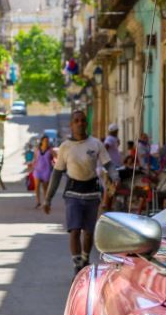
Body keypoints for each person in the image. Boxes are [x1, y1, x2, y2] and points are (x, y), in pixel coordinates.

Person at [45, 110, 114, 271]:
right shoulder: (65, 147)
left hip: (92, 193)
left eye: (83, 120)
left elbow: (108, 164)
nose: (80, 123)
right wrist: (48, 198)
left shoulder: (96, 144)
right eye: (76, 121)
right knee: (74, 230)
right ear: (71, 124)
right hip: (72, 193)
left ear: (86, 123)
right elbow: (56, 173)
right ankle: (77, 264)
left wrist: (115, 177)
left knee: (88, 231)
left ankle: (85, 258)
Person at [32, 135, 54, 208]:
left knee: (45, 188)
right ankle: (38, 201)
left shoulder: (50, 150)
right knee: (37, 186)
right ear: (42, 141)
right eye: (45, 141)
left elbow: (57, 158)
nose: (46, 142)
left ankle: (45, 202)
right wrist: (31, 165)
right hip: (37, 170)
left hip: (46, 171)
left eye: (47, 141)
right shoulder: (37, 150)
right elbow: (35, 159)